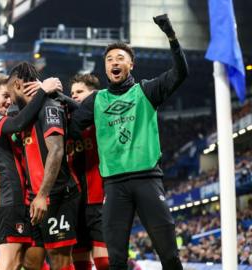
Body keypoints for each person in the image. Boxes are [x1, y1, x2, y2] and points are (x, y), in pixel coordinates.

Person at [70, 14, 188, 270]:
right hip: (114, 186)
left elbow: (180, 73)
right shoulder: (96, 101)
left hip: (147, 179)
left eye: (120, 58)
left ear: (131, 65)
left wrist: (172, 38)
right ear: (105, 68)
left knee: (168, 255)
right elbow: (70, 127)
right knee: (116, 261)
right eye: (109, 59)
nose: (114, 62)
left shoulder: (146, 91)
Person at [0, 72, 61, 270]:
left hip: (16, 198)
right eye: (5, 96)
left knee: (26, 260)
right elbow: (18, 122)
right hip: (7, 198)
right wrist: (43, 91)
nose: (9, 101)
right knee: (10, 263)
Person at [7, 62, 79, 270]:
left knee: (60, 260)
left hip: (56, 196)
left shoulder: (49, 106)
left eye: (11, 91)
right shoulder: (26, 114)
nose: (10, 99)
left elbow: (56, 151)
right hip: (34, 199)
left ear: (19, 85)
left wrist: (42, 195)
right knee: (31, 261)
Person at [67, 74, 109, 270]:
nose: (74, 96)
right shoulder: (67, 124)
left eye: (79, 92)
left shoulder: (103, 118)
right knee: (79, 257)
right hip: (75, 202)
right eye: (72, 93)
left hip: (98, 198)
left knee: (105, 260)